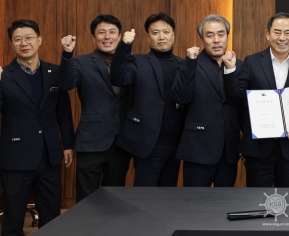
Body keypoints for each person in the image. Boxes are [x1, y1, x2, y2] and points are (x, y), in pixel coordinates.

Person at [0, 19, 74, 236]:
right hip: (15, 157)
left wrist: (68, 144)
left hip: (49, 155)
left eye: (29, 37)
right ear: (12, 44)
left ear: (39, 40)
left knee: (51, 216)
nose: (24, 43)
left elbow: (64, 112)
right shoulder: (4, 75)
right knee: (13, 218)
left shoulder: (55, 72)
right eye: (18, 39)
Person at [59, 14, 132, 203]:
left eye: (112, 32)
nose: (107, 36)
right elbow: (66, 84)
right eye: (102, 32)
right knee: (86, 199)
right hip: (90, 141)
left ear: (120, 36)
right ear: (93, 37)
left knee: (115, 197)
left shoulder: (131, 63)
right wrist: (67, 54)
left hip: (121, 142)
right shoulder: (81, 62)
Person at [234, 12, 289, 187]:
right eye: (277, 32)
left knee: (287, 199)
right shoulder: (252, 62)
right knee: (257, 198)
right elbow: (238, 99)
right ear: (268, 34)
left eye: (287, 32)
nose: (282, 38)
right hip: (258, 148)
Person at [111, 12, 185, 186]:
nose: (161, 37)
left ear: (173, 35)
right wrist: (124, 46)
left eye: (166, 32)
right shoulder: (138, 62)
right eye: (155, 32)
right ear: (148, 36)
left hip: (176, 144)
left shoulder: (183, 64)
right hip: (148, 143)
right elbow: (118, 78)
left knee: (169, 193)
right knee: (145, 195)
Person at [172, 14, 243, 187]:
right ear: (202, 39)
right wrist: (190, 63)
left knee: (225, 201)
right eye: (210, 35)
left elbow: (241, 105)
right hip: (198, 149)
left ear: (227, 36)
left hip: (228, 151)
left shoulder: (240, 66)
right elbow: (181, 97)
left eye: (221, 34)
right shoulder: (190, 63)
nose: (216, 40)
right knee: (195, 201)